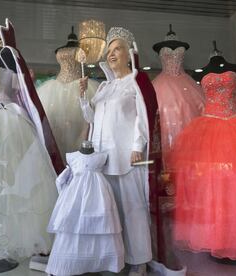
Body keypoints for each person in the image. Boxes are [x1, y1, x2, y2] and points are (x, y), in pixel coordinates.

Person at [79, 27, 152, 276]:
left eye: (117, 48)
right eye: (109, 50)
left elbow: (144, 116)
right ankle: (115, 257)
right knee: (109, 212)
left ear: (129, 53)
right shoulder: (103, 88)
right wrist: (82, 98)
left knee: (133, 210)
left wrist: (137, 146)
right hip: (101, 158)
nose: (111, 54)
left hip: (126, 157)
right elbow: (91, 117)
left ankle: (139, 260)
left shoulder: (136, 82)